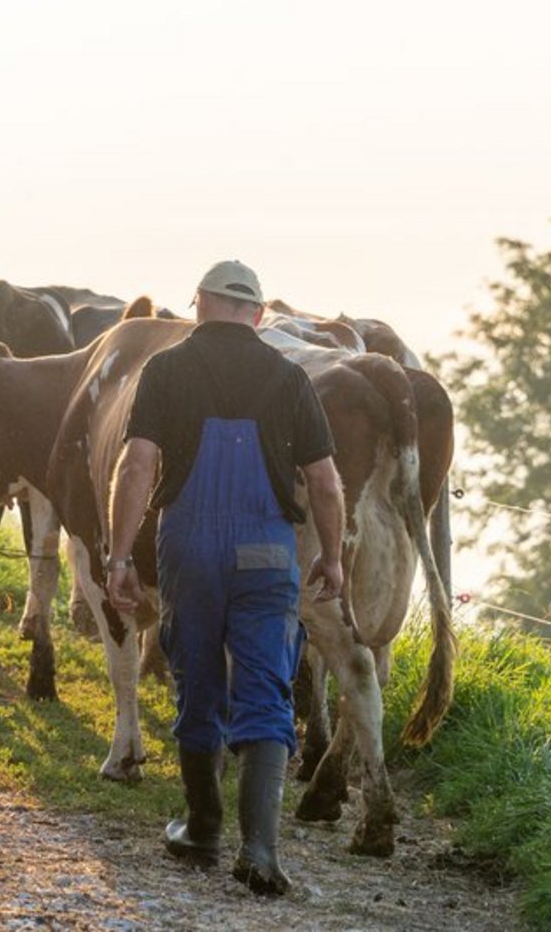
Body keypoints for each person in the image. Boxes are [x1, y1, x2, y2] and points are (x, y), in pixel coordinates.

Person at [105, 259, 345, 896]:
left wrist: (119, 556)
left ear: (201, 305)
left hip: (190, 544)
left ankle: (203, 827)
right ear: (259, 315)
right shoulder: (290, 377)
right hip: (269, 549)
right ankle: (261, 851)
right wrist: (333, 557)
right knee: (267, 685)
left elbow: (136, 467)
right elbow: (324, 480)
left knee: (198, 677)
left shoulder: (166, 369)